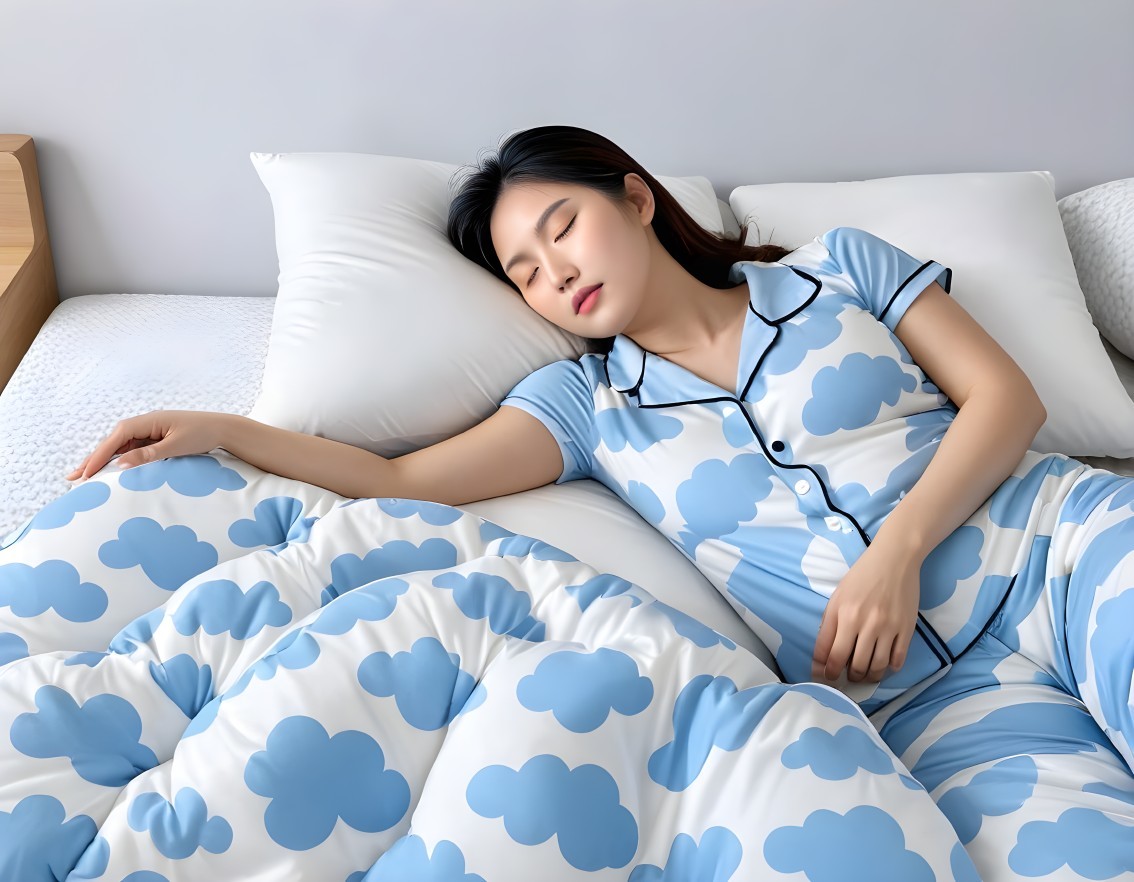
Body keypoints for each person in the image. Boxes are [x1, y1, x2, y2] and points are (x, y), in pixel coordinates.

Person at [66, 125, 1134, 874]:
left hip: (1062, 547)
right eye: (524, 271)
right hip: (928, 708)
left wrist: (895, 553)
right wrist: (229, 429)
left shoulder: (839, 269)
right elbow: (397, 482)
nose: (553, 274)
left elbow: (1008, 396)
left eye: (562, 226)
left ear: (634, 195)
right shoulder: (583, 408)